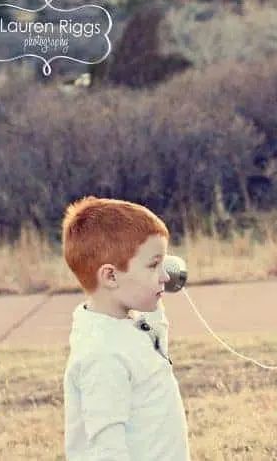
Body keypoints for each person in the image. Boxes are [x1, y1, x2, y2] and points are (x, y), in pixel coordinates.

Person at [61, 196, 190, 461]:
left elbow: (156, 327)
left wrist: (155, 273)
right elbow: (106, 449)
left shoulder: (130, 322)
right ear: (110, 276)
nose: (165, 276)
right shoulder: (102, 354)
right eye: (154, 265)